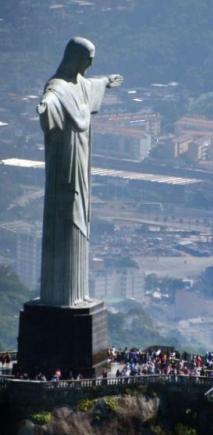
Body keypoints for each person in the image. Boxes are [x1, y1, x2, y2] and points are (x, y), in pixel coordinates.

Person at [37, 37, 122, 306]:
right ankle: (61, 296)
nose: (90, 64)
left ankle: (77, 294)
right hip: (65, 163)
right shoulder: (58, 87)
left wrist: (106, 81)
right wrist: (46, 107)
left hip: (82, 161)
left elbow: (90, 86)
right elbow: (50, 99)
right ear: (75, 57)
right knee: (66, 216)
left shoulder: (80, 85)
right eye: (88, 59)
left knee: (81, 217)